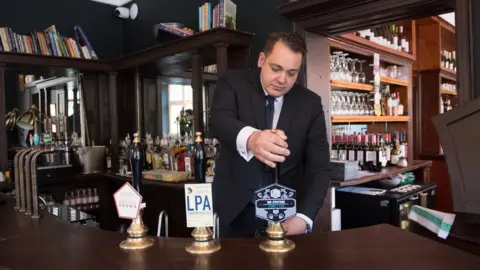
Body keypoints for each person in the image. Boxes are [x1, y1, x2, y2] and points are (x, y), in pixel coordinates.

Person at [209, 32, 331, 238]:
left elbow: (319, 169)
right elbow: (218, 121)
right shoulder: (233, 83)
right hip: (233, 212)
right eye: (276, 69)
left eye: (292, 73)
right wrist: (252, 139)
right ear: (261, 60)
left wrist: (304, 217)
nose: (282, 80)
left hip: (286, 218)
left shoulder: (310, 103)